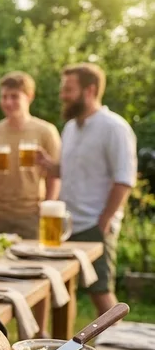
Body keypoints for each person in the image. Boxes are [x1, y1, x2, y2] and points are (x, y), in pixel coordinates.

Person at [37, 63, 137, 316]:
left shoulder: (114, 127)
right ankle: (59, 349)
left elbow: (124, 179)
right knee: (62, 291)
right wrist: (50, 166)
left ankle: (120, 347)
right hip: (66, 226)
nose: (62, 95)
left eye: (68, 90)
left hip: (94, 225)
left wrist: (104, 222)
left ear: (90, 90)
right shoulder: (71, 128)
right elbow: (70, 171)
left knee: (100, 292)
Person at [0, 71, 61, 240]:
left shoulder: (46, 132)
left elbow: (55, 176)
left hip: (31, 216)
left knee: (32, 264)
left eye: (14, 97)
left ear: (29, 97)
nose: (8, 102)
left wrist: (47, 208)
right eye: (4, 97)